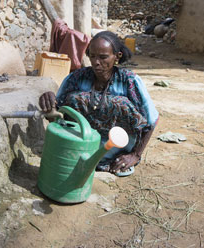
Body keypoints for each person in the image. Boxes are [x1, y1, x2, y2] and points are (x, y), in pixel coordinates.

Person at [39, 31, 158, 176]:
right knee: (74, 98)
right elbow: (58, 117)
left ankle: (111, 156)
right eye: (92, 56)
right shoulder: (77, 78)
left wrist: (135, 155)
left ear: (117, 56)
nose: (96, 62)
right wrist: (49, 101)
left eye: (103, 57)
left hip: (117, 152)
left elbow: (151, 120)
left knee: (119, 103)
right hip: (80, 149)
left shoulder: (129, 81)